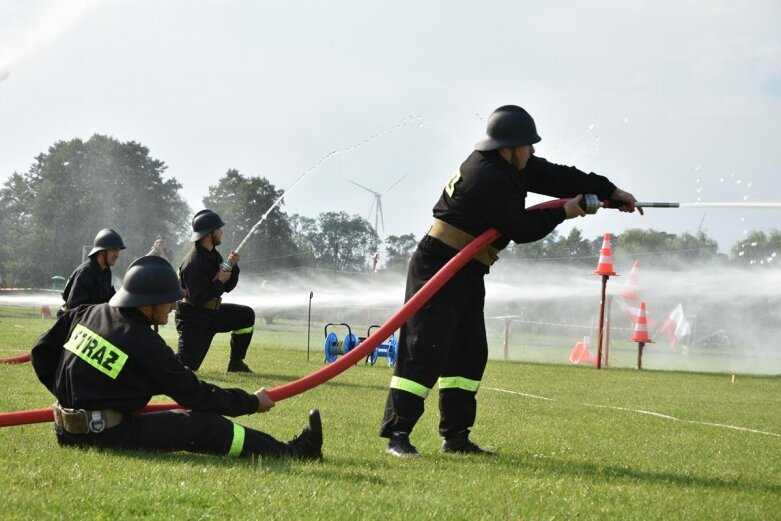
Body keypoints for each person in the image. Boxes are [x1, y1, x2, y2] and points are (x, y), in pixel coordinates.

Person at [379, 105, 642, 457]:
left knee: (469, 354)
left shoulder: (511, 165)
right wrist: (564, 212)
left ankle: (455, 436)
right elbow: (521, 228)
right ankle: (398, 435)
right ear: (509, 147)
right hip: (439, 264)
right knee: (423, 349)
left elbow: (560, 177)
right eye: (528, 146)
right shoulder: (487, 176)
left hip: (470, 267)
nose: (532, 152)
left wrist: (610, 191)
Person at [30, 255, 322, 460]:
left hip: (65, 432)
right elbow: (195, 395)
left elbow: (41, 353)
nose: (174, 306)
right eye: (170, 299)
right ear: (149, 303)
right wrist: (251, 402)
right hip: (107, 436)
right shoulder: (145, 343)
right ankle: (292, 453)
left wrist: (72, 403)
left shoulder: (88, 312)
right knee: (205, 425)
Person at [175, 209, 256, 373]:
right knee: (185, 367)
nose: (221, 232)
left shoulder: (213, 256)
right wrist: (219, 281)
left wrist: (233, 268)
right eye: (219, 230)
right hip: (194, 319)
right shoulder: (193, 262)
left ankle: (236, 364)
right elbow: (198, 298)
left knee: (246, 315)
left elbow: (227, 287)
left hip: (213, 314)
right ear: (209, 234)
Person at [58, 228, 126, 317]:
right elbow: (75, 309)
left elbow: (109, 299)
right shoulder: (85, 273)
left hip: (92, 322)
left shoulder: (106, 271)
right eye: (114, 250)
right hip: (74, 324)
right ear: (102, 251)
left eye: (118, 250)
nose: (117, 255)